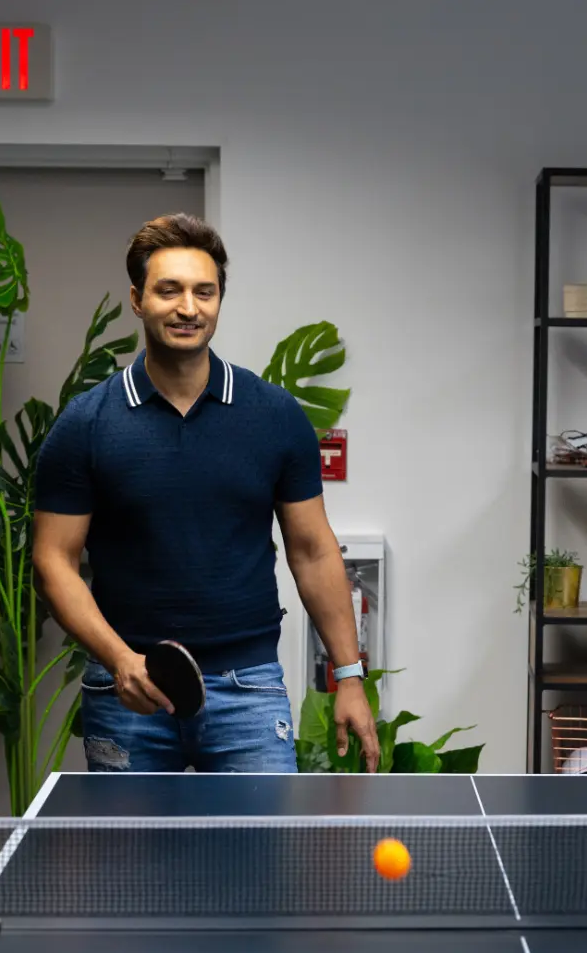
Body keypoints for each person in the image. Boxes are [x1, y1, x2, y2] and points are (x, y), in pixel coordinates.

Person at [32, 213, 379, 773]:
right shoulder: (87, 424)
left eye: (204, 291)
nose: (188, 308)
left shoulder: (274, 416)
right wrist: (121, 661)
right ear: (138, 299)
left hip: (248, 690)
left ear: (219, 300)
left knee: (258, 862)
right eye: (168, 290)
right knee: (126, 864)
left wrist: (349, 676)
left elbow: (313, 550)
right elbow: (53, 559)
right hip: (127, 693)